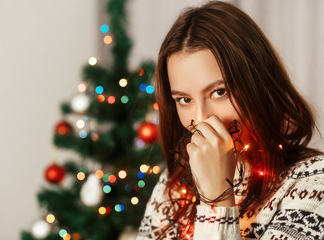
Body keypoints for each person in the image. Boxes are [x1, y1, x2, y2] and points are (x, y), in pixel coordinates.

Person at [136, 1, 324, 239]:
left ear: (259, 85)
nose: (201, 118)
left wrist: (217, 197)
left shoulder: (313, 183)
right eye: (184, 99)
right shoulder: (172, 188)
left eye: (219, 92)